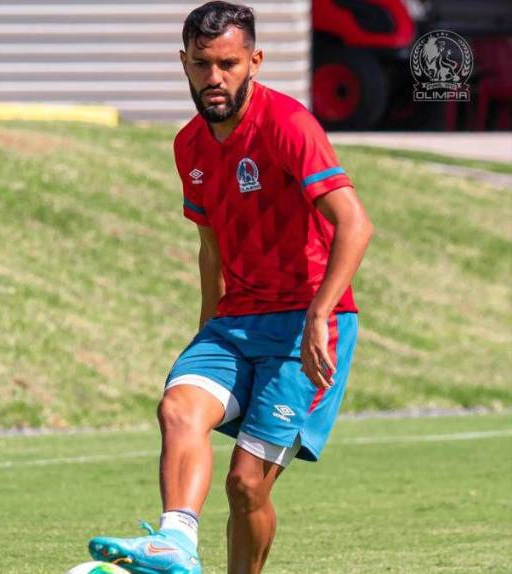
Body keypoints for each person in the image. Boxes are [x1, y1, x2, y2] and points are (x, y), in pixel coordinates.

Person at [88, 2, 373, 572]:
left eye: (228, 64)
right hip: (234, 324)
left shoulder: (290, 125)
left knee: (246, 486)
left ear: (255, 62)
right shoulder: (188, 145)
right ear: (184, 63)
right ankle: (177, 543)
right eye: (200, 64)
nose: (214, 79)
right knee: (179, 405)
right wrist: (205, 335)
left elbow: (355, 223)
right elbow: (210, 248)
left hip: (305, 324)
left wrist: (320, 314)